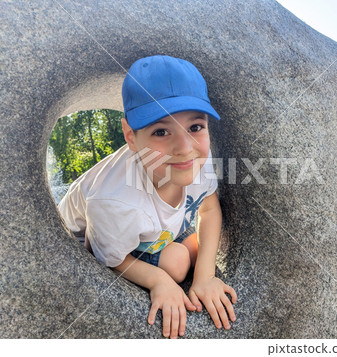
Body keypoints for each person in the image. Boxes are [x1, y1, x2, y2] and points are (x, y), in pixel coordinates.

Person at [58, 55, 237, 339]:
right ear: (130, 135)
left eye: (195, 127)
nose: (184, 147)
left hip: (144, 227)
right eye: (161, 131)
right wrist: (158, 281)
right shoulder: (115, 201)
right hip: (99, 237)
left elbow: (210, 209)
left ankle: (179, 243)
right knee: (175, 265)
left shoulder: (197, 162)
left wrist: (205, 276)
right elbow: (111, 258)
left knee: (188, 249)